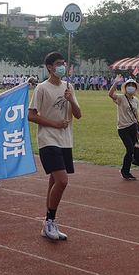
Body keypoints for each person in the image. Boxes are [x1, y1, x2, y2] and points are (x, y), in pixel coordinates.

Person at [28, 52, 82, 241]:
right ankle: (50, 220)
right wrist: (55, 124)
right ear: (49, 67)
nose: (62, 67)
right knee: (62, 180)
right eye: (58, 64)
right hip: (48, 139)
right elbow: (31, 115)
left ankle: (49, 223)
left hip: (65, 141)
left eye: (63, 63)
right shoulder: (42, 88)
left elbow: (78, 115)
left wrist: (71, 99)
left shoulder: (69, 87)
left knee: (54, 181)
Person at [109, 74, 139, 181]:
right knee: (130, 149)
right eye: (129, 85)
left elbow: (136, 115)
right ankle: (124, 171)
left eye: (133, 85)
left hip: (132, 127)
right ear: (125, 87)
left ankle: (126, 171)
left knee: (130, 151)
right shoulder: (121, 98)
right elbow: (110, 94)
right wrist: (116, 82)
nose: (131, 87)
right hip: (123, 128)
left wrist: (137, 129)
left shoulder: (136, 100)